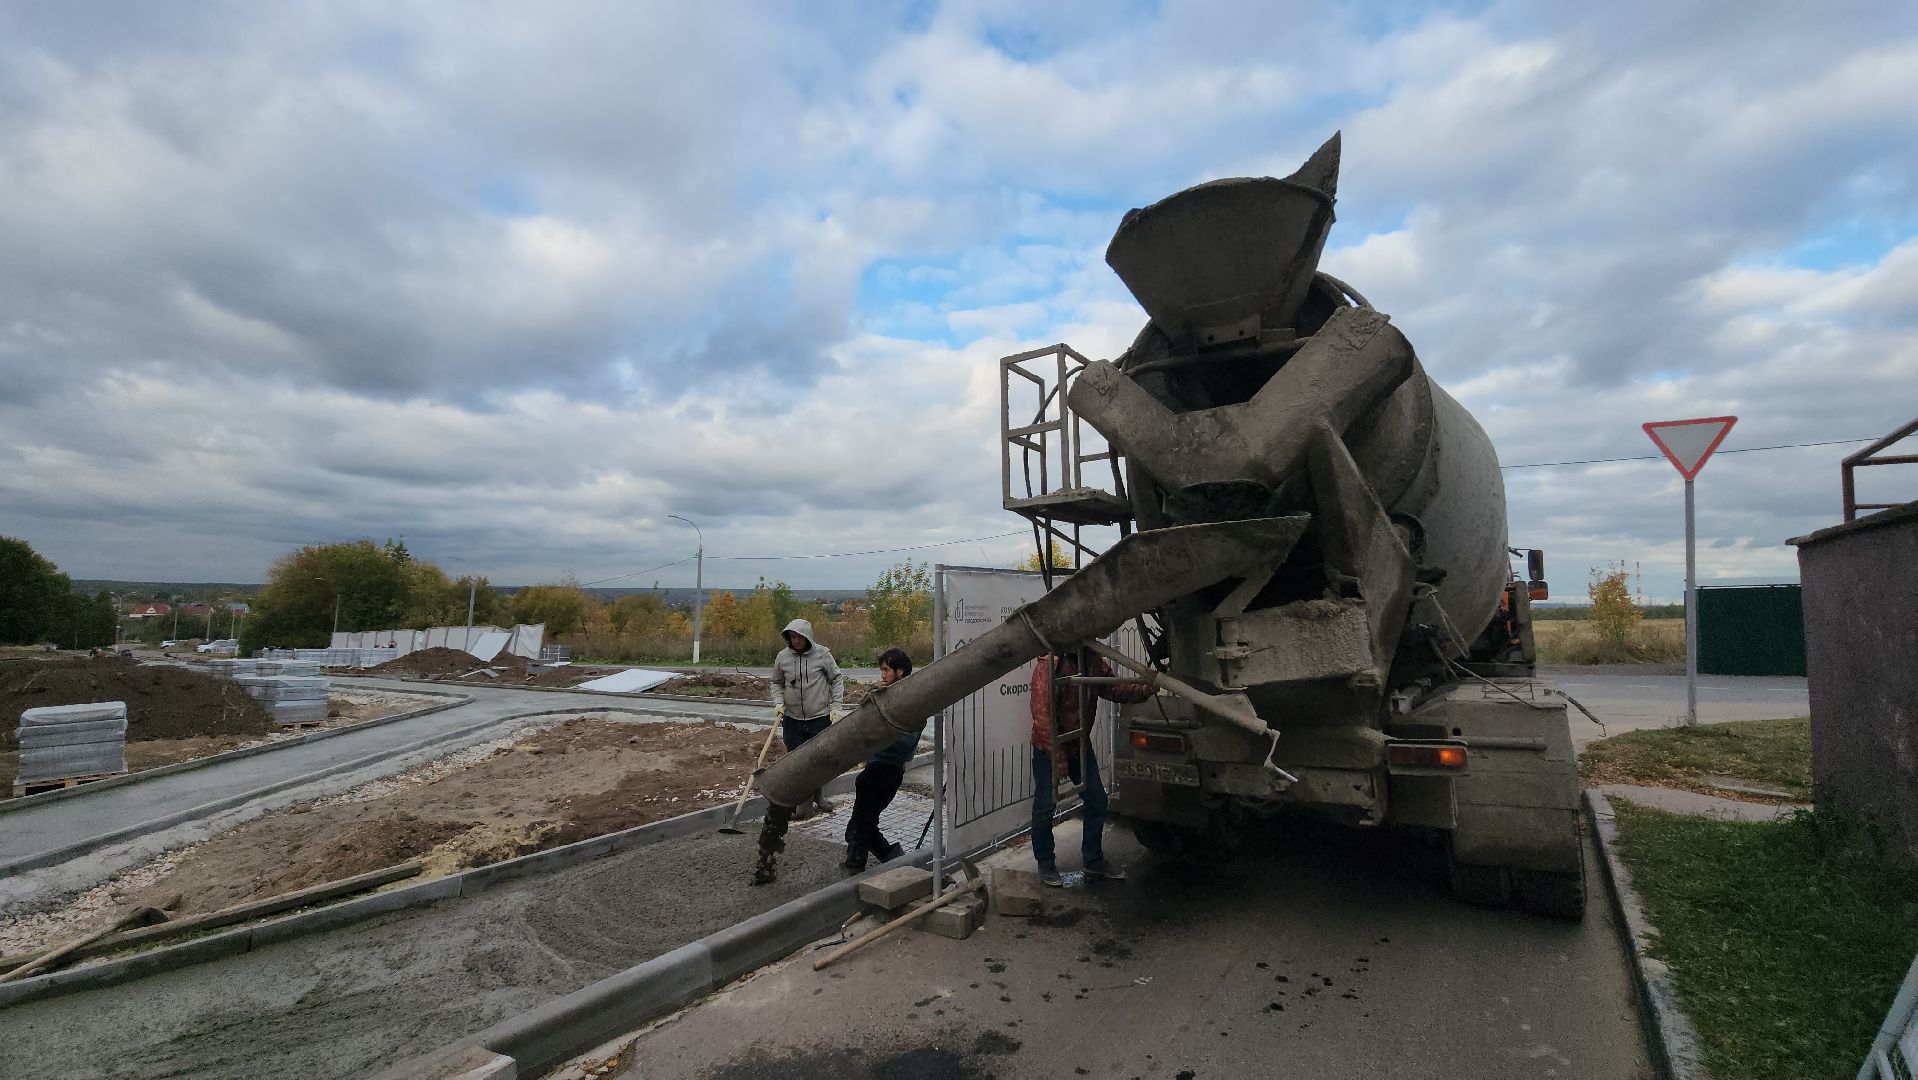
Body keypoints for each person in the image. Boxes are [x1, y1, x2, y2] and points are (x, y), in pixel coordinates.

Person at [1029, 649, 1154, 887]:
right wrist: (1058, 756)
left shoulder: (1092, 660)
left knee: (1097, 799)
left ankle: (1093, 860)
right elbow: (1042, 715)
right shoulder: (1051, 664)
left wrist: (1143, 689)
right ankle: (1045, 863)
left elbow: (1112, 688)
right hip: (1049, 745)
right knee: (1045, 806)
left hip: (1078, 743)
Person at [843, 647, 920, 871]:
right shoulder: (885, 696)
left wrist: (876, 731)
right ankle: (891, 857)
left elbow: (905, 744)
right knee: (863, 824)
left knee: (860, 827)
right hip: (875, 767)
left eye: (886, 670)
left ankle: (854, 867)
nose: (882, 675)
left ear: (900, 671)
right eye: (881, 670)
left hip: (887, 771)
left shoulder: (911, 702)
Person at [770, 617, 845, 819]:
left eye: (800, 637)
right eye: (792, 637)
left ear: (808, 637)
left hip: (819, 717)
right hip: (793, 719)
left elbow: (837, 679)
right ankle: (803, 804)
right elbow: (776, 682)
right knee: (797, 763)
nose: (796, 641)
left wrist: (836, 707)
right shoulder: (783, 657)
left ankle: (818, 797)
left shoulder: (822, 654)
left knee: (818, 762)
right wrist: (778, 702)